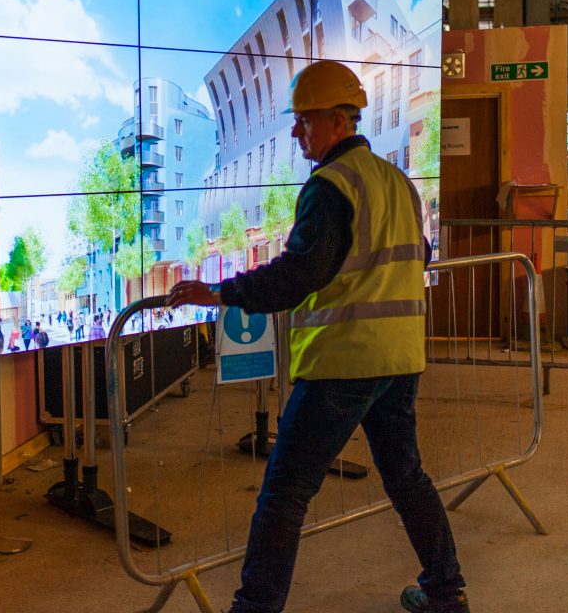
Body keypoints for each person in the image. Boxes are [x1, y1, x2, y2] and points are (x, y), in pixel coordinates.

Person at [166, 60, 468, 613]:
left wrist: (221, 293)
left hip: (342, 363)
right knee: (406, 477)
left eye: (304, 121)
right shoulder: (398, 183)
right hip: (400, 359)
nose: (296, 132)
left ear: (336, 121)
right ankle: (447, 593)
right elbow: (415, 256)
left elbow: (300, 273)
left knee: (284, 494)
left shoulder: (330, 187)